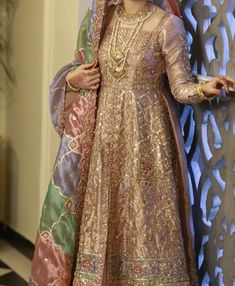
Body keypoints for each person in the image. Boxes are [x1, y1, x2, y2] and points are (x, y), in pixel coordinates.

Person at [28, 0, 235, 285]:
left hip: (148, 141)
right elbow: (80, 68)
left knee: (144, 220)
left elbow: (180, 87)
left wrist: (203, 88)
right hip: (102, 140)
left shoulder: (167, 24)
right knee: (103, 214)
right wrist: (73, 80)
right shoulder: (100, 19)